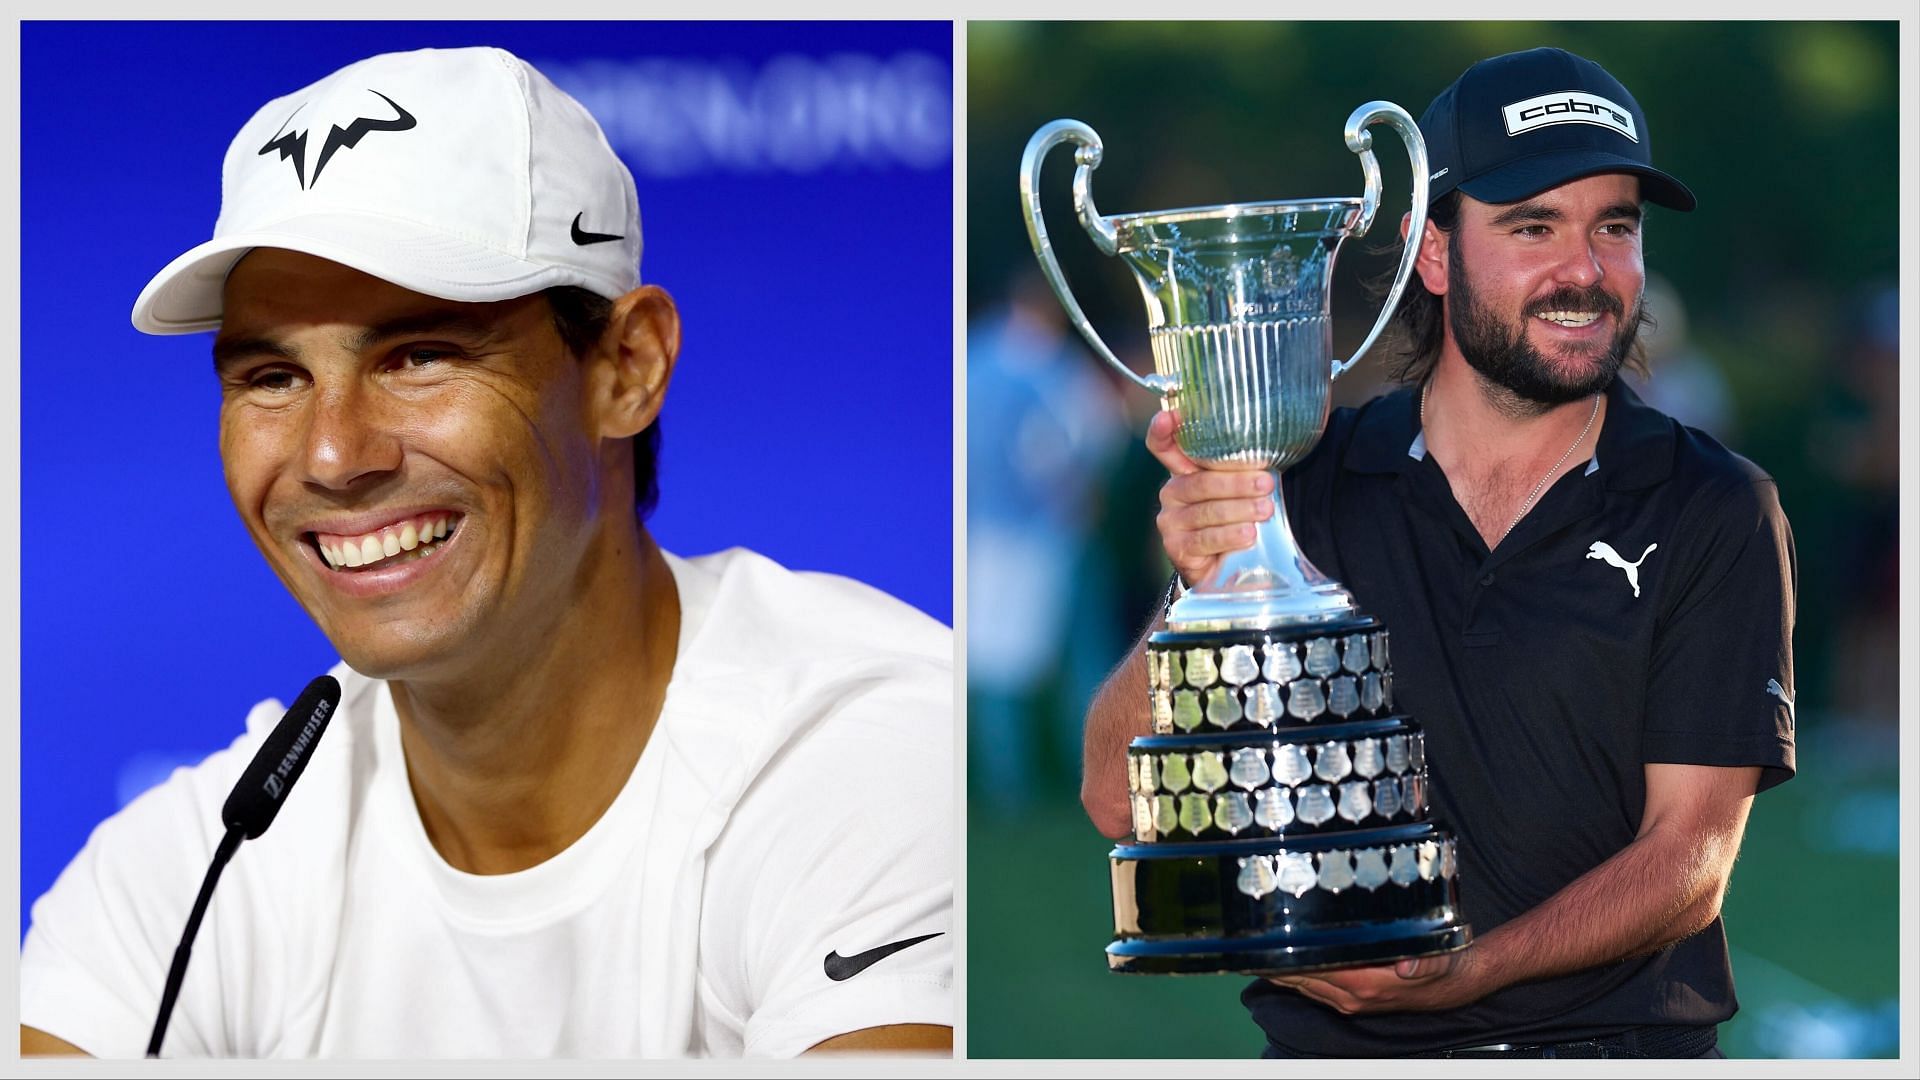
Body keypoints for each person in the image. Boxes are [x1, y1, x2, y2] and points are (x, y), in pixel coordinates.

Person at [20, 46, 952, 1059]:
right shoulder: (187, 873)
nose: (332, 455)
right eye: (272, 377)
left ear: (626, 370)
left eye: (420, 356)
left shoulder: (871, 749)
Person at [1082, 46, 1795, 1059]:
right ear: (1434, 254)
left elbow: (1690, 853)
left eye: (1616, 227)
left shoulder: (1712, 506)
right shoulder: (1308, 484)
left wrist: (1468, 973)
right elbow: (1117, 795)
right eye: (1532, 226)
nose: (1585, 271)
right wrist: (1207, 584)